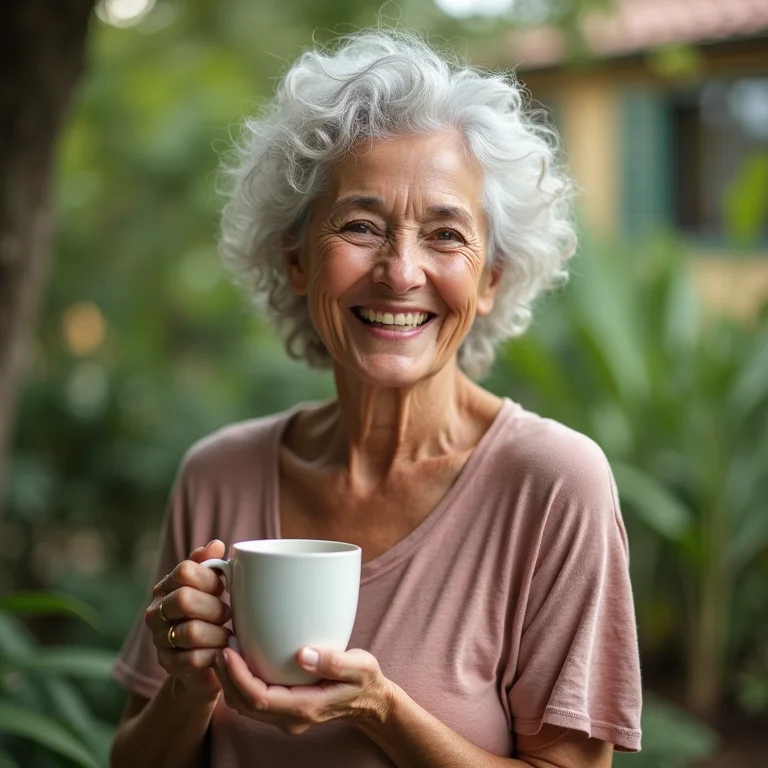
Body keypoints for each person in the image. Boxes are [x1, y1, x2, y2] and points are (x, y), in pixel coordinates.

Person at [110, 29, 642, 768]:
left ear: (491, 279)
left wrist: (382, 711)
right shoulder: (217, 476)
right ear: (296, 260)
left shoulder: (554, 486)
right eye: (361, 226)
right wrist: (189, 686)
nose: (400, 272)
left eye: (446, 235)